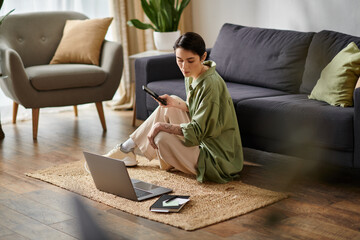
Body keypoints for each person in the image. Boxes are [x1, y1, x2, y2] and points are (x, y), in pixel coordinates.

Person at [105, 32, 243, 183]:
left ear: (203, 57)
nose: (184, 67)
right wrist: (175, 103)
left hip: (217, 159)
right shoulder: (193, 74)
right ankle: (127, 149)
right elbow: (196, 109)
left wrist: (161, 126)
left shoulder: (210, 85)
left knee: (161, 137)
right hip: (203, 141)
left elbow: (197, 131)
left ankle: (128, 150)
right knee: (171, 104)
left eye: (190, 60)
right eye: (179, 60)